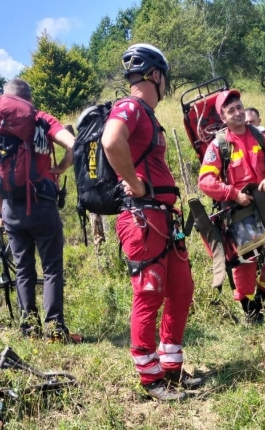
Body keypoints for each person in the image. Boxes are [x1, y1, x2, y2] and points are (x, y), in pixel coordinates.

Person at [101, 43, 202, 401]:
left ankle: (171, 368)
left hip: (163, 219)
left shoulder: (146, 114)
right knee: (148, 294)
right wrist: (135, 181)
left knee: (181, 289)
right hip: (142, 218)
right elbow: (111, 140)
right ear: (156, 76)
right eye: (165, 79)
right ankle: (150, 378)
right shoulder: (129, 107)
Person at [0, 78, 81, 344]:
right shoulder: (39, 118)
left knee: (23, 270)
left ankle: (29, 331)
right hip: (41, 204)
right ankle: (55, 332)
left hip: (9, 207)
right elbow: (73, 144)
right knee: (51, 268)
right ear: (29, 99)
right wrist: (61, 168)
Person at [198, 90, 265, 324]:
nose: (238, 113)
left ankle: (264, 298)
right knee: (246, 262)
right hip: (240, 213)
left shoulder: (260, 135)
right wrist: (234, 194)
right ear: (223, 116)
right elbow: (206, 182)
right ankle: (249, 310)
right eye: (231, 110)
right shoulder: (218, 145)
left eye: (240, 107)